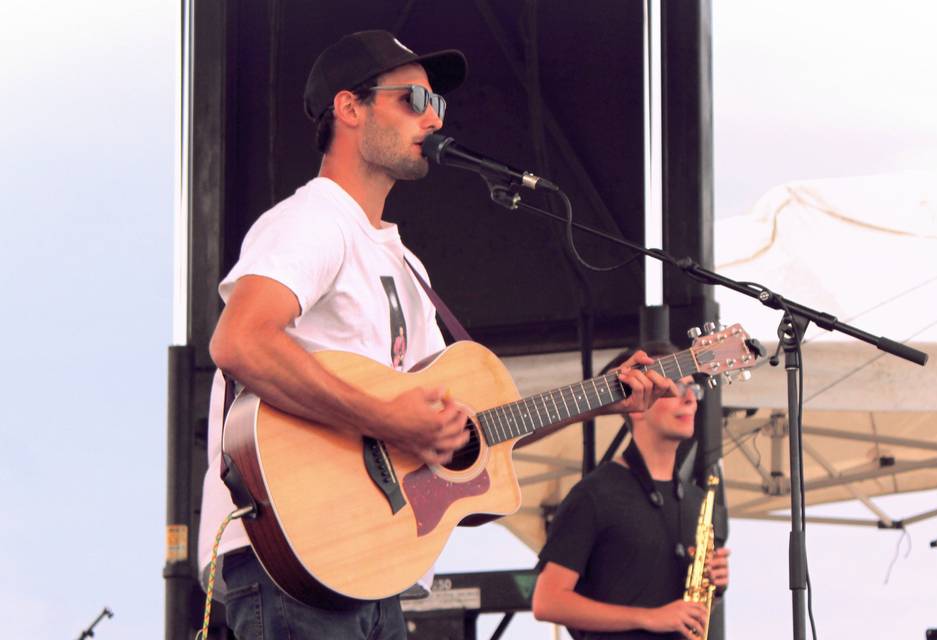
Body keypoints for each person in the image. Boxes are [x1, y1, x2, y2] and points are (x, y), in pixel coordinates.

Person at [196, 29, 677, 640]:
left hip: (373, 563)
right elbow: (239, 342)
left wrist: (605, 394)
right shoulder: (313, 221)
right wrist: (390, 419)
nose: (433, 118)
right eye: (412, 100)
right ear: (349, 108)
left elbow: (468, 428)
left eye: (438, 105)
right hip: (292, 557)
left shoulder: (405, 263)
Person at [532, 344, 731, 640]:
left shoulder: (697, 501)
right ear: (638, 402)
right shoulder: (594, 494)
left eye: (694, 389)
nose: (690, 399)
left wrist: (712, 587)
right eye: (675, 387)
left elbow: (682, 615)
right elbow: (547, 601)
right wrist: (649, 618)